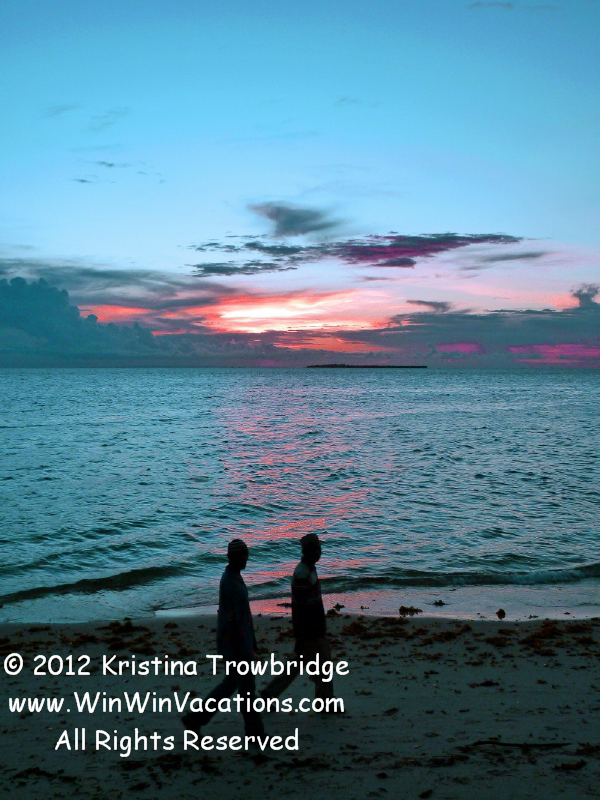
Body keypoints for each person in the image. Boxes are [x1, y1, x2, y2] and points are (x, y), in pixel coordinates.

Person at [182, 538, 264, 736]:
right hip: (237, 645)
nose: (245, 559)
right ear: (231, 557)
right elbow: (232, 620)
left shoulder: (233, 577)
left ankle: (195, 719)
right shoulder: (230, 582)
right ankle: (255, 733)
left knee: (232, 685)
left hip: (238, 643)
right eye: (241, 556)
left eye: (246, 555)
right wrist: (243, 649)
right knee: (246, 690)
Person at [261, 532, 333, 701]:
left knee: (298, 665)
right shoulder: (302, 574)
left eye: (319, 548)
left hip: (313, 629)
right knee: (323, 666)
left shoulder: (309, 570)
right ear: (307, 552)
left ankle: (269, 693)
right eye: (315, 549)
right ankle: (325, 700)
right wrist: (301, 636)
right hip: (310, 631)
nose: (319, 552)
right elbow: (301, 609)